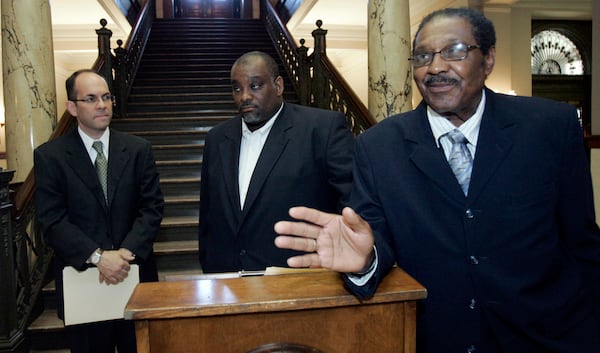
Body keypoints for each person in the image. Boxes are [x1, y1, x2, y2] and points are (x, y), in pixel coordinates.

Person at [274, 7, 600, 353]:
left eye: (454, 52)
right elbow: (374, 237)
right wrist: (367, 260)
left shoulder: (551, 127)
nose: (435, 67)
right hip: (439, 339)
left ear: (488, 59)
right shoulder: (378, 146)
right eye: (423, 56)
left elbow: (582, 244)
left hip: (549, 339)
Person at [35, 69, 164, 353]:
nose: (102, 105)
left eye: (106, 97)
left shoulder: (138, 149)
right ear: (72, 107)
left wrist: (125, 253)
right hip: (83, 283)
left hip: (134, 277)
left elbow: (152, 207)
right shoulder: (50, 157)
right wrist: (98, 257)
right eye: (91, 99)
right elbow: (52, 220)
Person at [198, 51, 354, 273]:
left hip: (297, 276)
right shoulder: (216, 138)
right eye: (237, 88)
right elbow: (208, 213)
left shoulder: (321, 129)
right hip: (227, 280)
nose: (244, 96)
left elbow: (351, 203)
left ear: (278, 86)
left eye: (255, 86)